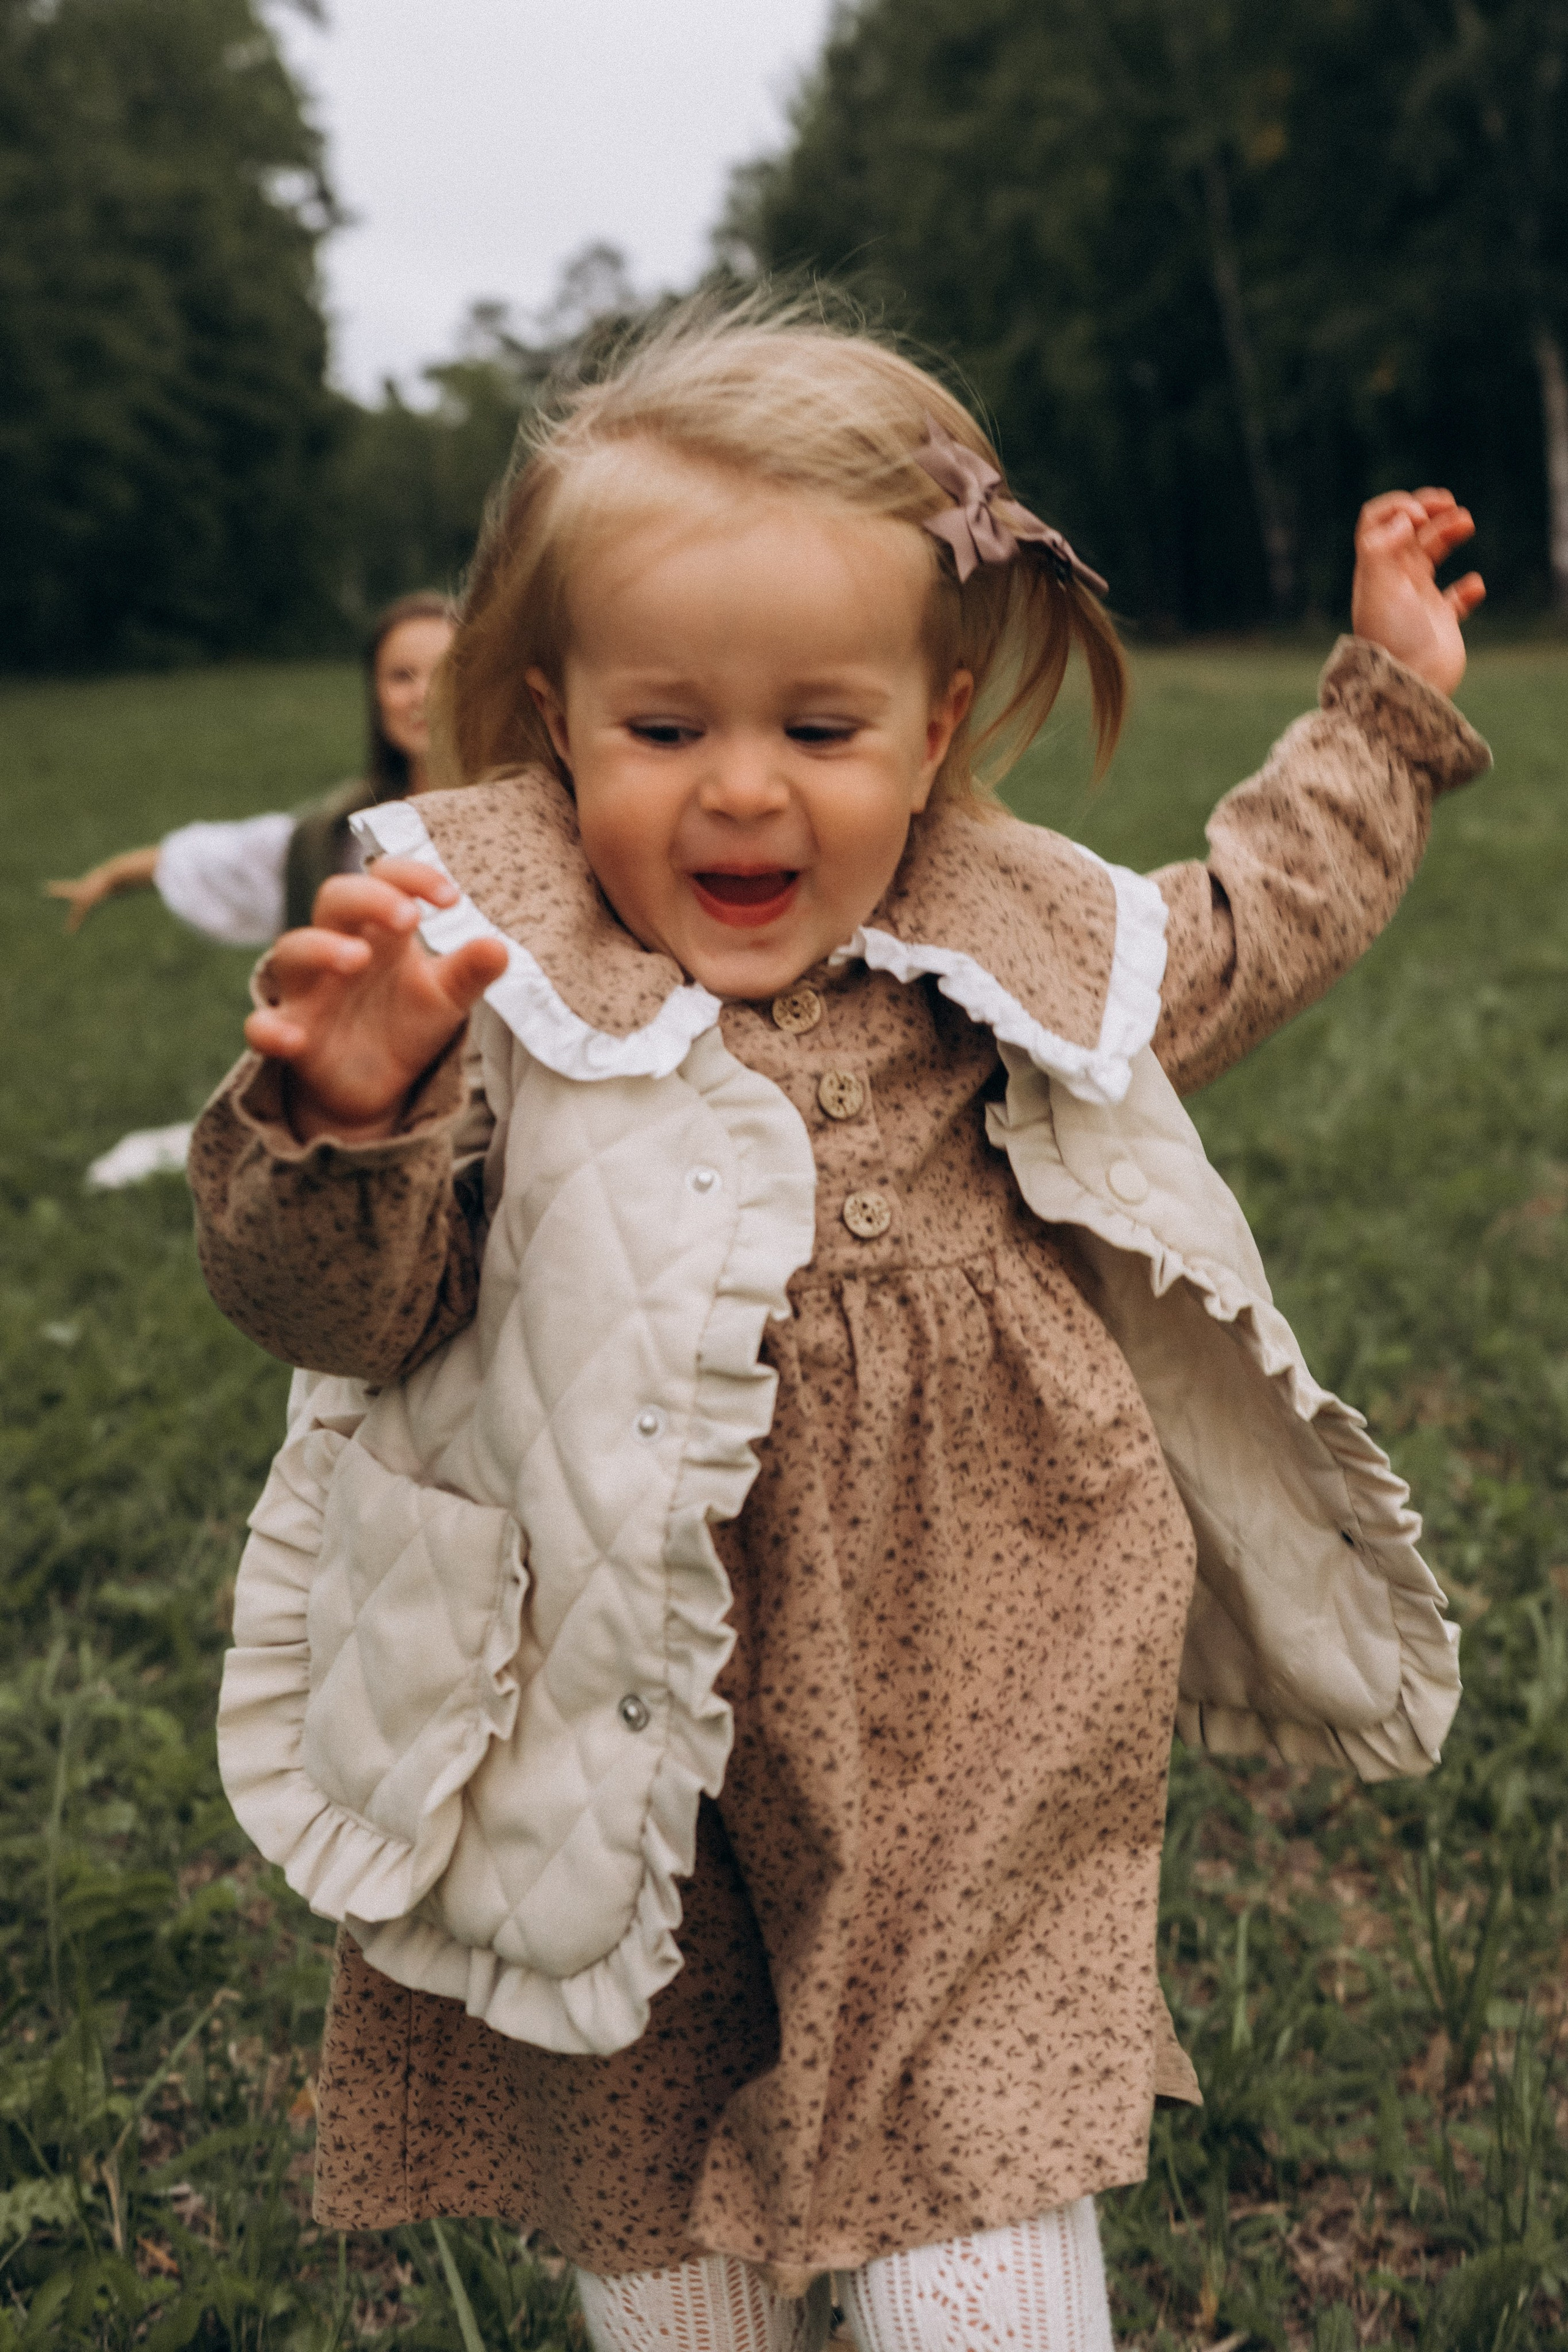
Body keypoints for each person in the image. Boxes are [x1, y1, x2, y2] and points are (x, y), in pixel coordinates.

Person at [189, 299, 1488, 2352]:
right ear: (554, 712)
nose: (741, 796)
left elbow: (1247, 920)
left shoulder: (997, 954)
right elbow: (340, 1308)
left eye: (817, 729)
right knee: (673, 2227)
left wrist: (1382, 713)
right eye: (664, 726)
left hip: (977, 1734)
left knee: (977, 2263)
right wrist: (346, 1125)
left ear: (936, 723)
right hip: (629, 1749)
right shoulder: (496, 991)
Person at [47, 592, 455, 946]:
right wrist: (111, 878)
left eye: (445, 672)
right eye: (402, 676)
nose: (423, 694)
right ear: (376, 696)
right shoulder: (336, 839)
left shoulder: (517, 812)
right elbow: (222, 859)